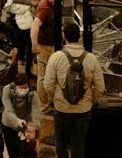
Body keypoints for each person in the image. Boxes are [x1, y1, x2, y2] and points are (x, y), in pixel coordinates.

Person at [40, 23, 105, 158]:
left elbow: (48, 85)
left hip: (62, 108)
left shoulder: (56, 57)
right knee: (78, 144)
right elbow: (100, 87)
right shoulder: (91, 58)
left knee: (61, 142)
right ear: (79, 36)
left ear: (64, 36)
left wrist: (53, 99)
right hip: (83, 109)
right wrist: (91, 101)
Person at [1, 72, 41, 158]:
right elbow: (8, 110)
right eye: (20, 88)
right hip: (8, 125)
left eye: (25, 88)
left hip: (25, 127)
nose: (23, 90)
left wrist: (36, 134)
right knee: (12, 152)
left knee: (25, 152)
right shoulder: (7, 90)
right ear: (15, 85)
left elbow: (36, 113)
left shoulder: (32, 94)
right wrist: (17, 121)